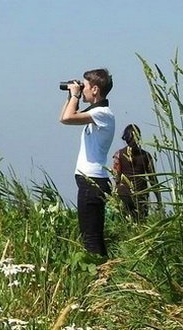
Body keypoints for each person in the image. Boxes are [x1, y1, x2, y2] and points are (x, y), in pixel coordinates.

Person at [60, 68, 115, 258]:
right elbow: (64, 117)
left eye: (84, 86)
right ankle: (104, 277)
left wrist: (75, 95)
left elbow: (68, 118)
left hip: (92, 182)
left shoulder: (103, 113)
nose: (81, 90)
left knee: (90, 238)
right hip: (92, 181)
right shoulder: (97, 113)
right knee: (94, 236)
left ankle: (99, 280)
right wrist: (71, 96)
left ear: (95, 90)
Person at [113, 124, 158, 220]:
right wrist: (159, 200)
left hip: (127, 194)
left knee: (129, 221)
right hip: (137, 195)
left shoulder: (119, 155)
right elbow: (153, 180)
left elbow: (116, 178)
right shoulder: (146, 156)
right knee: (141, 222)